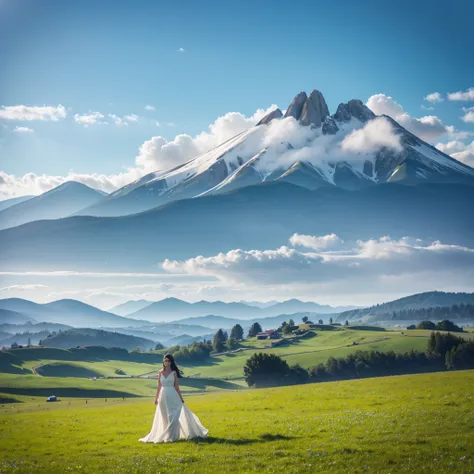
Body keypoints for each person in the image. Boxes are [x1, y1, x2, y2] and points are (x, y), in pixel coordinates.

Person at [139, 353, 208, 443]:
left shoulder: (174, 373)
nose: (166, 362)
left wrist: (181, 398)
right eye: (165, 360)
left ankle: (172, 437)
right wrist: (156, 398)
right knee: (164, 417)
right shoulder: (160, 372)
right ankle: (165, 435)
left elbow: (176, 386)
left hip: (172, 395)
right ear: (163, 362)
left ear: (171, 362)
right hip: (162, 396)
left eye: (168, 361)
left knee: (173, 416)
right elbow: (159, 386)